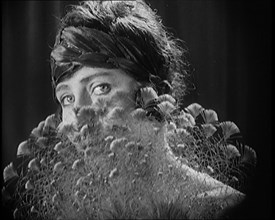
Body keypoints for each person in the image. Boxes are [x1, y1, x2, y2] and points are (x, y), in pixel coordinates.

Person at [2, 1, 256, 219]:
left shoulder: (224, 209)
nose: (78, 116)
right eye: (67, 98)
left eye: (101, 88)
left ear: (158, 96)